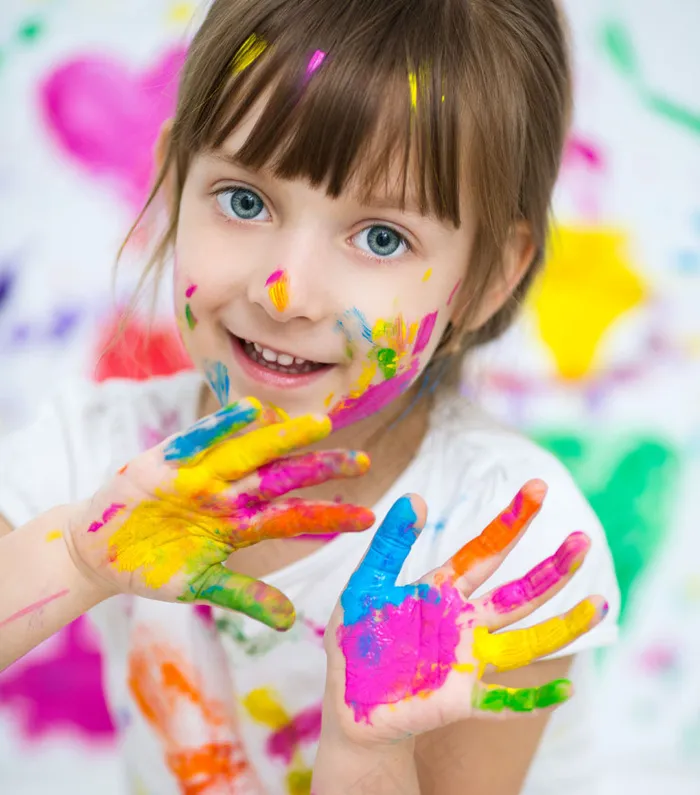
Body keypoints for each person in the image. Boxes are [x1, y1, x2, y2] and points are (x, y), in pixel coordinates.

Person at [0, 1, 620, 793]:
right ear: (173, 183)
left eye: (382, 237)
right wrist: (81, 560)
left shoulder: (503, 542)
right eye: (245, 200)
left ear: (489, 274)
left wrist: (370, 750)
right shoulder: (100, 448)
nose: (284, 291)